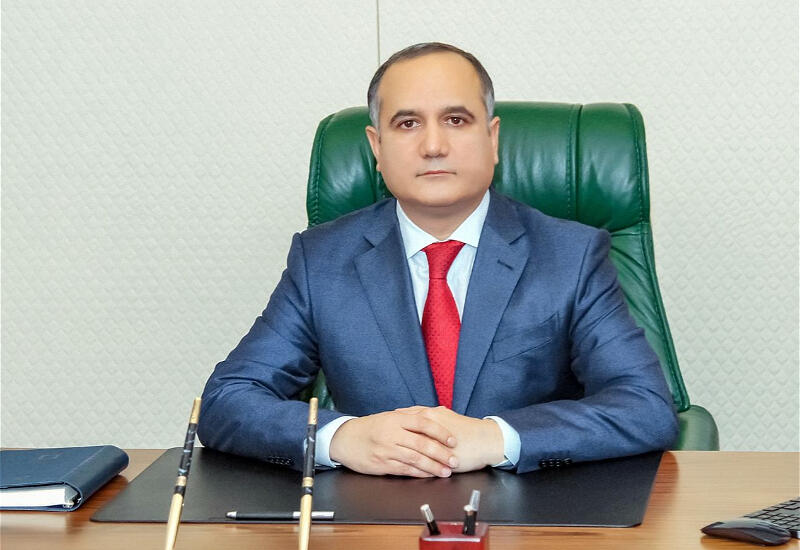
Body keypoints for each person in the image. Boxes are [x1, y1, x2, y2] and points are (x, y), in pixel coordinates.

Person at [198, 42, 678, 477]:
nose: (433, 146)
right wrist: (342, 438)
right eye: (407, 124)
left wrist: (496, 438)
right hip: (372, 516)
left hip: (531, 516)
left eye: (456, 120)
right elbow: (227, 400)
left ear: (493, 138)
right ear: (376, 147)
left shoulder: (570, 255)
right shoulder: (321, 260)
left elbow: (645, 407)